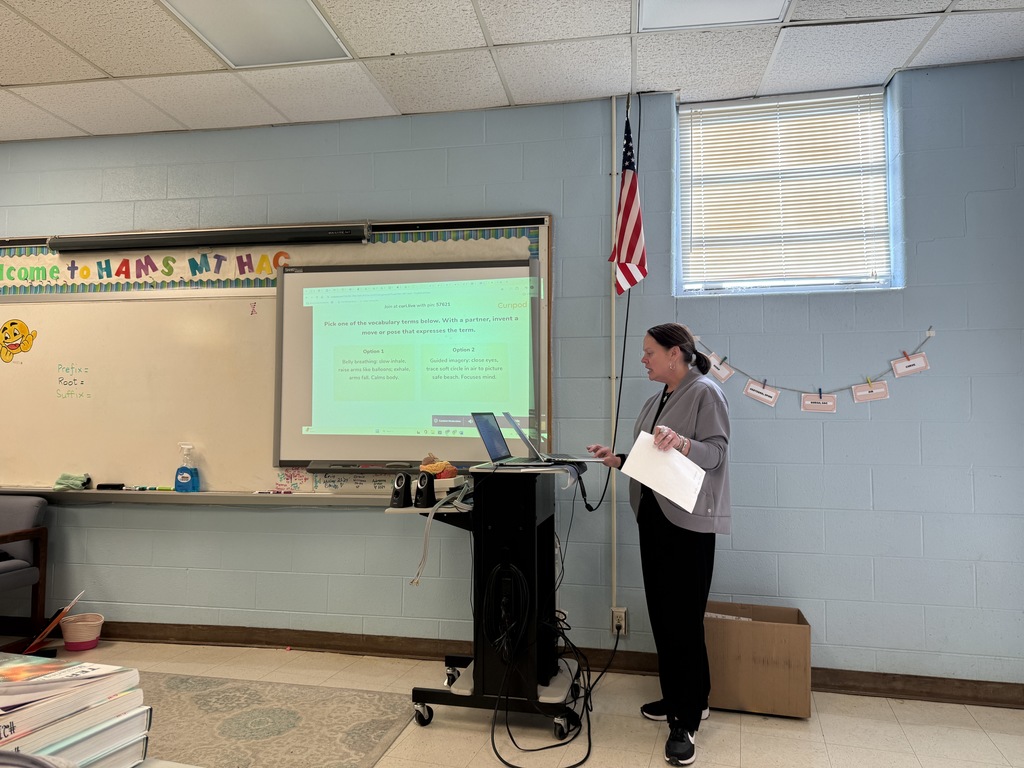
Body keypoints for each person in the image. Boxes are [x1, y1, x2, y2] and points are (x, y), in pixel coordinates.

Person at [587, 322, 730, 767]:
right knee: (665, 616)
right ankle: (686, 699)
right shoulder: (657, 399)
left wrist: (685, 443)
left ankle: (685, 722)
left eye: (650, 352)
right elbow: (654, 460)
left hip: (686, 524)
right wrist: (619, 459)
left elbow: (716, 453)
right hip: (654, 519)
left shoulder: (706, 392)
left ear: (676, 354)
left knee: (683, 619)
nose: (644, 360)